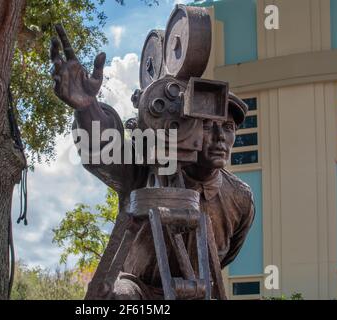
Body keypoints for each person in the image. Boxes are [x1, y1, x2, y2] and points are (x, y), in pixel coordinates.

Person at [50, 25, 255, 300]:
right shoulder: (148, 167)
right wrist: (87, 108)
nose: (219, 137)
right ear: (187, 125)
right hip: (137, 291)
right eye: (207, 126)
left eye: (228, 127)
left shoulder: (239, 198)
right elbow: (102, 151)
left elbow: (224, 257)